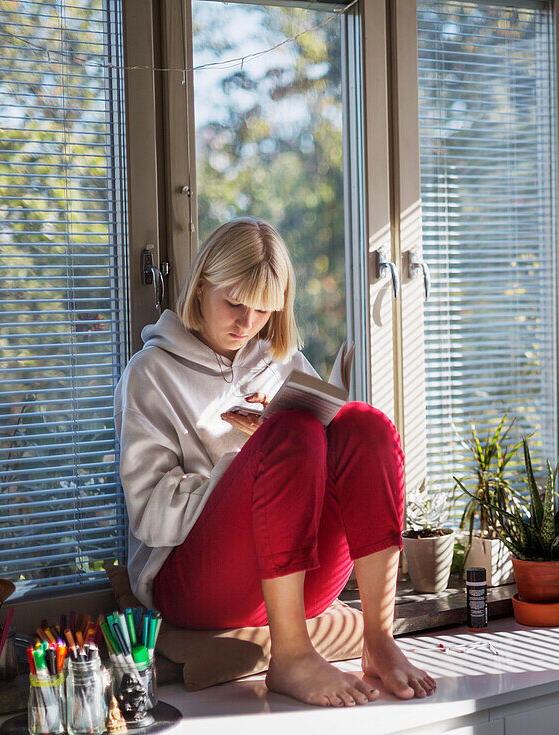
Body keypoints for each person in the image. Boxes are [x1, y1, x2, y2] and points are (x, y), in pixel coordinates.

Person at [114, 217, 436, 707]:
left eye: (263, 311)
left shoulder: (278, 359)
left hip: (294, 579)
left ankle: (379, 638)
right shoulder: (150, 373)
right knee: (289, 431)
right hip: (192, 584)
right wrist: (245, 463)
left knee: (365, 425)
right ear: (201, 286)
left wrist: (294, 444)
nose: (247, 324)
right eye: (235, 303)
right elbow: (151, 516)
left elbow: (326, 461)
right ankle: (291, 655)